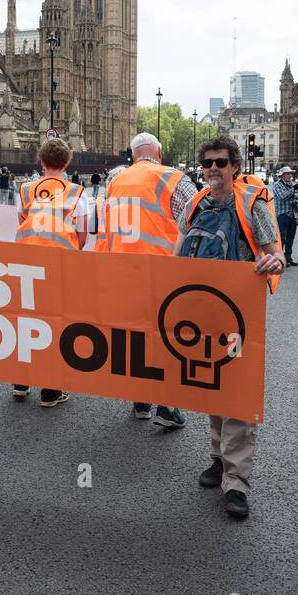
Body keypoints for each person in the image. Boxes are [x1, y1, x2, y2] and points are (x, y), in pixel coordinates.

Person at [180, 136, 284, 520]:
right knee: (213, 389)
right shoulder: (194, 203)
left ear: (235, 165)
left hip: (241, 312)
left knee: (238, 396)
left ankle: (237, 482)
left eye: (220, 162)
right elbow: (180, 250)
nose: (212, 169)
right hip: (202, 311)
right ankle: (219, 459)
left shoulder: (251, 202)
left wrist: (273, 264)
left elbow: (275, 252)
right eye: (207, 162)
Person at [95, 132, 198, 426]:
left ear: (133, 154)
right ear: (159, 153)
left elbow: (104, 227)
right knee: (165, 338)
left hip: (121, 271)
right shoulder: (173, 178)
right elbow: (195, 221)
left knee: (135, 338)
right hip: (161, 272)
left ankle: (141, 401)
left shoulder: (115, 182)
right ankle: (167, 407)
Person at [12, 138, 85, 409]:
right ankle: (51, 391)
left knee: (25, 319)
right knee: (54, 322)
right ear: (66, 163)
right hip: (59, 264)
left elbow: (22, 222)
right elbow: (82, 234)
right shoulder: (76, 192)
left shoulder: (25, 189)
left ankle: (21, 381)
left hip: (27, 260)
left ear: (41, 162)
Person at [272, 166, 298, 267]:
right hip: (282, 214)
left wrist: (292, 193)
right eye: (287, 174)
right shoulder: (277, 185)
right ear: (282, 175)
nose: (290, 175)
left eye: (290, 173)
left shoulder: (292, 184)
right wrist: (293, 191)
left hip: (292, 214)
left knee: (290, 237)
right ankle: (280, 259)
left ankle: (288, 258)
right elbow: (282, 196)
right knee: (281, 238)